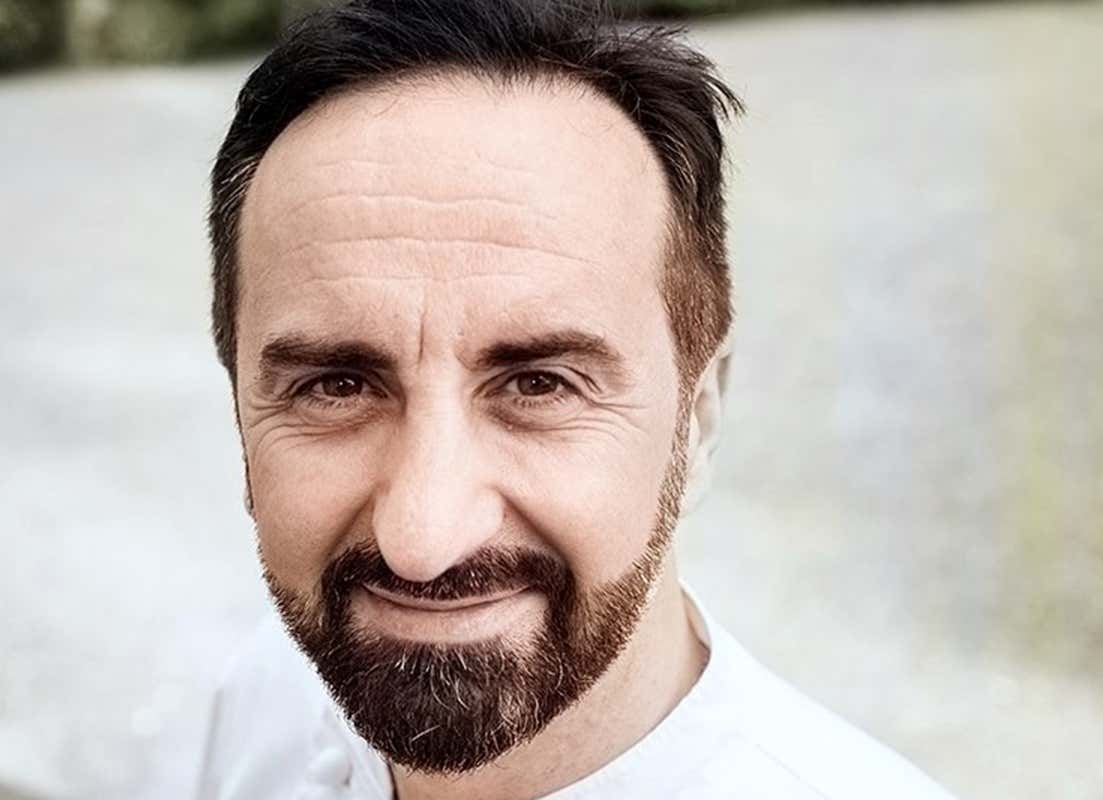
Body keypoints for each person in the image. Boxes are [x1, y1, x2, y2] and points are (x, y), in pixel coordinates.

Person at [196, 1, 956, 797]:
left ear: (697, 420)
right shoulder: (264, 701)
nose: (422, 540)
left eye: (539, 385)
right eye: (337, 386)